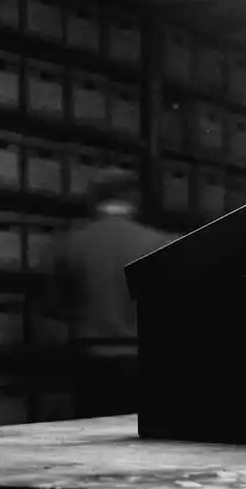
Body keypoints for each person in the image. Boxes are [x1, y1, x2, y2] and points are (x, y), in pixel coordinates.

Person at [41, 168, 175, 418]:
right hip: (144, 359)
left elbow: (53, 306)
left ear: (94, 199)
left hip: (89, 362)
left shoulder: (68, 244)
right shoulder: (160, 242)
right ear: (135, 198)